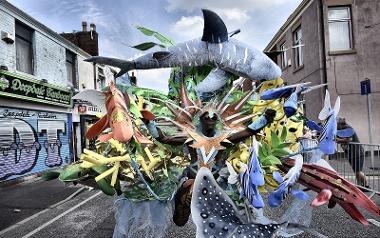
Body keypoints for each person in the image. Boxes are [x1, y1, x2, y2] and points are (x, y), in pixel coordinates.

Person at [144, 108, 276, 226]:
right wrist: (150, 123)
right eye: (206, 117)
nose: (210, 119)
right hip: (191, 184)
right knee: (180, 219)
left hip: (214, 186)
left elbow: (247, 132)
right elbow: (164, 139)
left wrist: (265, 119)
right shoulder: (191, 138)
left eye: (213, 117)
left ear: (217, 121)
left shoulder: (223, 140)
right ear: (200, 120)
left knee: (219, 222)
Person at [336, 117, 369, 187]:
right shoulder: (340, 129)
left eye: (335, 124)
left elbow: (349, 139)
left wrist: (337, 140)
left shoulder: (347, 128)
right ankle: (360, 186)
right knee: (356, 172)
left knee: (358, 171)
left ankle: (366, 185)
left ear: (339, 123)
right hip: (351, 153)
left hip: (357, 153)